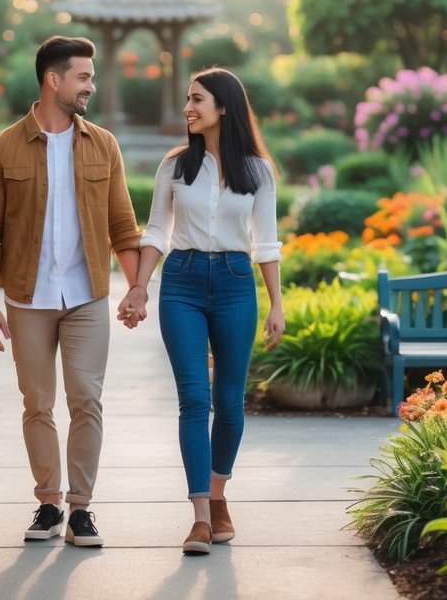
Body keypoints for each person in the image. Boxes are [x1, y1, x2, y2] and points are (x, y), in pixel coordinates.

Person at [0, 35, 141, 548]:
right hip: (26, 298)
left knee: (86, 400)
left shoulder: (103, 144)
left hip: (87, 294)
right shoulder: (1, 147)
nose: (91, 85)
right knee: (37, 402)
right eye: (84, 77)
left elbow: (122, 224)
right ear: (54, 80)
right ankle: (48, 504)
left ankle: (81, 510)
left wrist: (136, 288)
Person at [117, 67, 285, 555]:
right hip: (182, 283)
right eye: (189, 99)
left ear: (224, 107)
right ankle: (198, 518)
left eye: (197, 100)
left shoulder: (257, 171)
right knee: (194, 399)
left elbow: (266, 242)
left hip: (235, 284)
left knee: (230, 402)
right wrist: (139, 288)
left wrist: (277, 303)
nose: (188, 108)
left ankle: (218, 497)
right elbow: (155, 232)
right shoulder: (174, 166)